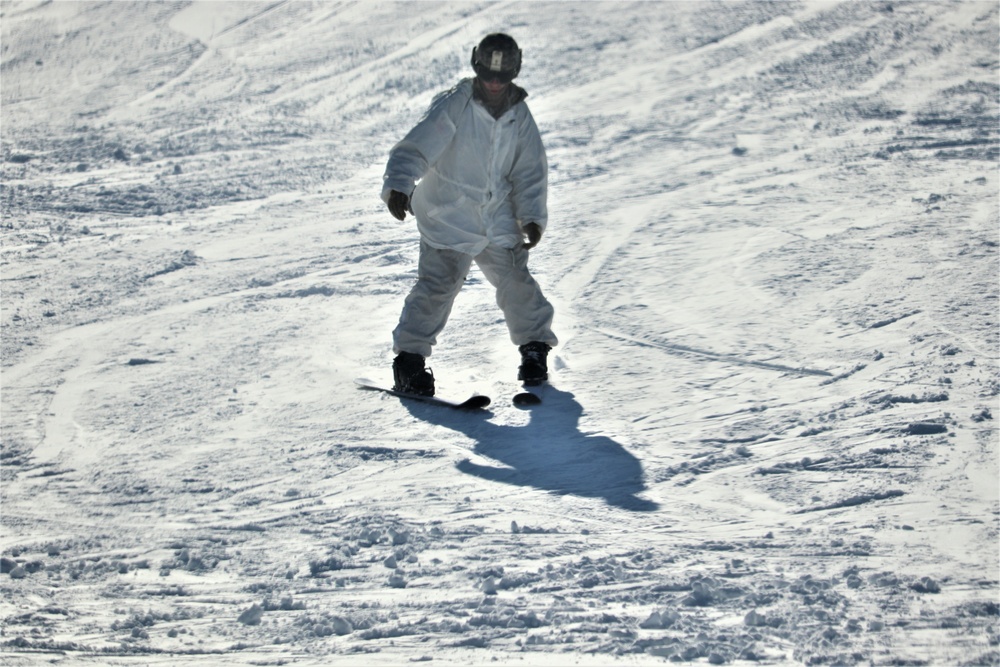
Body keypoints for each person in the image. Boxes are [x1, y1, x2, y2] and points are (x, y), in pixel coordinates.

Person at [381, 33, 557, 397]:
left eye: (502, 75)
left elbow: (529, 170)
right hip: (449, 214)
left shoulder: (519, 116)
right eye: (487, 74)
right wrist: (400, 183)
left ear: (514, 71)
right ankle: (409, 363)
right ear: (476, 68)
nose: (494, 83)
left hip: (496, 217)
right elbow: (420, 143)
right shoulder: (456, 104)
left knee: (516, 281)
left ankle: (534, 350)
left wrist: (531, 216)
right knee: (438, 285)